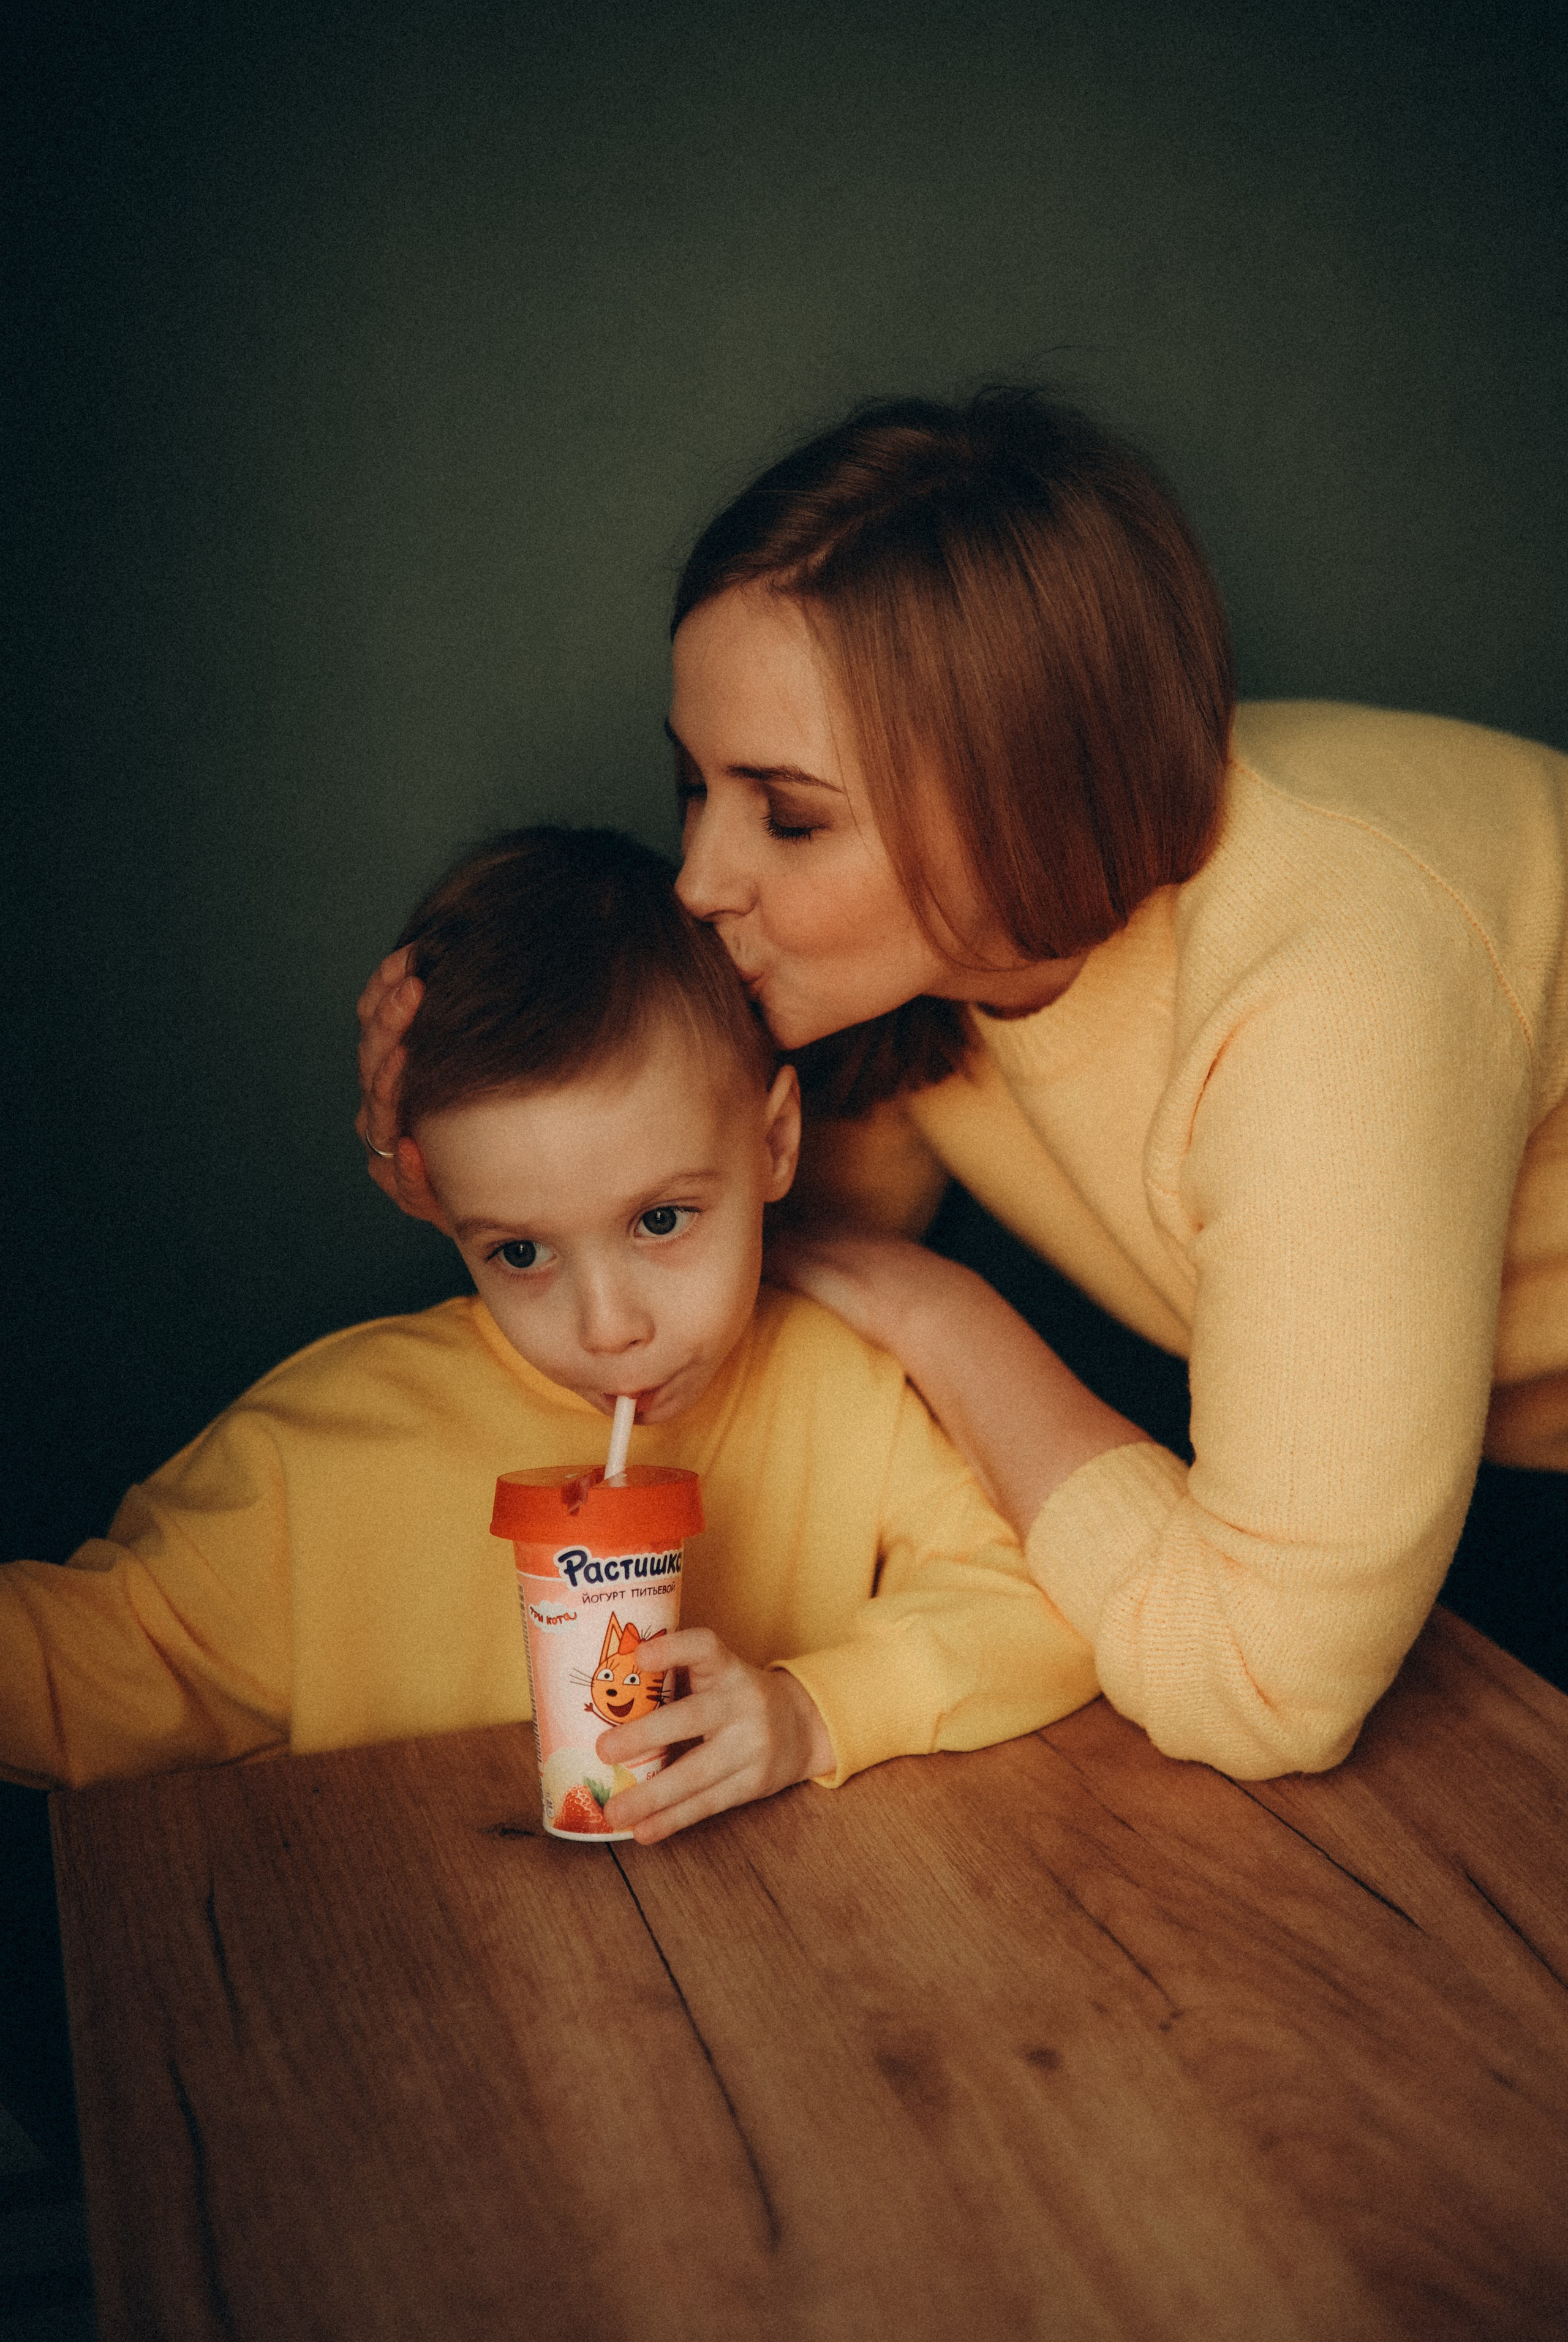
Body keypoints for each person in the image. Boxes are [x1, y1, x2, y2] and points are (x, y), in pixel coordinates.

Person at [359, 390, 1568, 1781]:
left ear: (1018, 799)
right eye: (695, 785)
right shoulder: (872, 960)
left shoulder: (1331, 999)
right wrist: (458, 1157)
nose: (696, 880)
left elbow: (1262, 1690)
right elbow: (711, 1259)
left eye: (790, 815)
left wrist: (917, 1298)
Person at [0, 827, 1096, 1832]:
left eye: (662, 1220)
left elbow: (1049, 1606)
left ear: (774, 1145)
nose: (608, 1327)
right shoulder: (312, 1461)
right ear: (430, 1198)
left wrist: (812, 1713)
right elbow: (65, 1681)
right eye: (520, 1252)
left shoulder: (845, 1393)